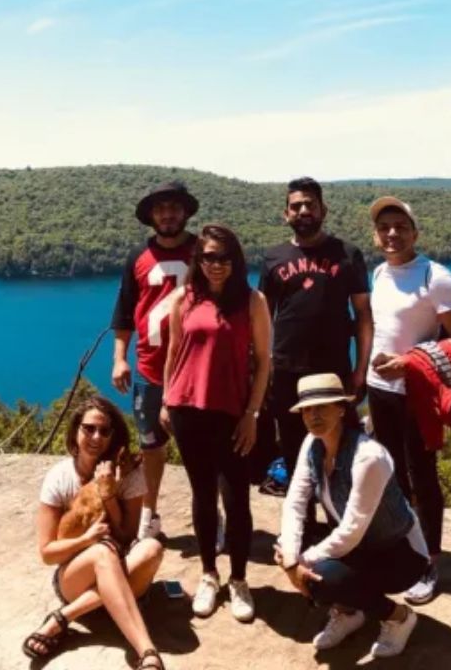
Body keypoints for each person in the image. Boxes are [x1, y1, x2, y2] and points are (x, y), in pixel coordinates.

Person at [160, 224, 272, 622]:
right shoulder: (183, 299)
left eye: (224, 257)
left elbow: (263, 363)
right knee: (202, 495)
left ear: (235, 260)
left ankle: (238, 579)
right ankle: (209, 574)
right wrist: (164, 400)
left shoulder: (252, 301)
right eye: (209, 257)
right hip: (186, 408)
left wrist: (252, 414)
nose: (217, 265)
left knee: (236, 498)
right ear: (199, 259)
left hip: (231, 412)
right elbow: (174, 351)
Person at [364, 196, 451, 606]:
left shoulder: (435, 276)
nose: (393, 234)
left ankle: (429, 561)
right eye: (384, 227)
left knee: (422, 476)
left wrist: (408, 362)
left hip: (417, 394)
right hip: (380, 390)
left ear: (416, 232)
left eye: (401, 226)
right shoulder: (379, 273)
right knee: (391, 474)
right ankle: (402, 549)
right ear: (376, 236)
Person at [276, 373, 429, 658]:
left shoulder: (368, 457)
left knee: (321, 578)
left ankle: (398, 617)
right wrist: (289, 556)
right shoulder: (313, 445)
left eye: (322, 406)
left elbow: (351, 531)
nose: (314, 415)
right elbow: (295, 503)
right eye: (307, 409)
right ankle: (349, 612)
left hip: (400, 553)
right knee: (298, 558)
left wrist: (300, 564)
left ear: (341, 408)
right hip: (361, 547)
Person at [25, 396, 167, 669]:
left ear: (114, 436)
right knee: (102, 551)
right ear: (75, 430)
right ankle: (147, 651)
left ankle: (63, 617)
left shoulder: (128, 471)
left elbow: (127, 537)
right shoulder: (59, 476)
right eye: (88, 428)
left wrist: (109, 495)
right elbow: (47, 553)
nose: (96, 437)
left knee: (152, 548)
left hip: (120, 568)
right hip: (75, 577)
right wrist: (86, 540)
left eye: (104, 431)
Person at [260, 176, 372, 485]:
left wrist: (360, 370)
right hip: (285, 369)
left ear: (324, 210)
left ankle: (344, 523)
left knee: (345, 445)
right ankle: (304, 522)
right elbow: (263, 317)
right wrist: (263, 367)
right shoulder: (273, 257)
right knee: (295, 447)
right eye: (296, 206)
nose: (304, 210)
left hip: (334, 369)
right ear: (286, 214)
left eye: (311, 204)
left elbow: (363, 314)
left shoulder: (347, 254)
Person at [111, 180, 198, 541]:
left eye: (174, 207)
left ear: (185, 212)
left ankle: (208, 510)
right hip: (148, 370)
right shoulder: (138, 257)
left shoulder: (202, 251)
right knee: (151, 446)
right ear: (150, 216)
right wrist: (120, 358)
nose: (167, 214)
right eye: (160, 209)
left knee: (199, 445)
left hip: (194, 370)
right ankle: (150, 513)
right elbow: (125, 311)